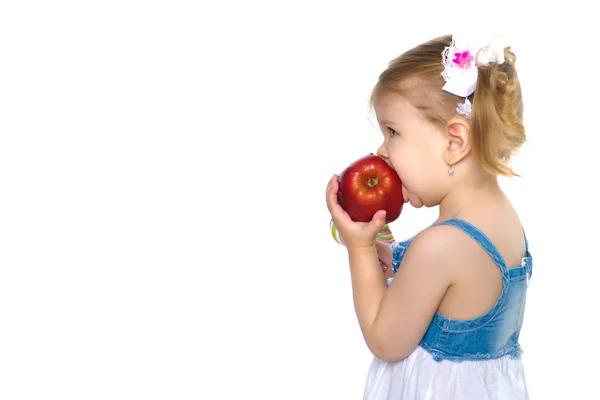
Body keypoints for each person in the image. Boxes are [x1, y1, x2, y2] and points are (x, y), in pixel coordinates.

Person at [325, 33, 532, 399]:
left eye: (393, 132)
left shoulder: (438, 246)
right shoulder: (505, 220)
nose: (381, 150)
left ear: (454, 143)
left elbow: (385, 339)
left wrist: (359, 250)